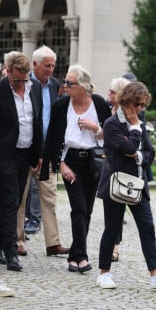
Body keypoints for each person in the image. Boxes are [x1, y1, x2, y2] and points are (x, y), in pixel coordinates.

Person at [95, 82, 156, 290]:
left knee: (147, 227)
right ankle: (104, 272)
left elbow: (149, 153)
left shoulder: (139, 121)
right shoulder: (112, 124)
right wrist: (133, 134)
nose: (139, 109)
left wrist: (137, 154)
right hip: (116, 184)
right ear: (125, 101)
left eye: (143, 105)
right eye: (136, 104)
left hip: (138, 184)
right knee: (112, 229)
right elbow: (128, 146)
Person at [40, 64, 112, 274]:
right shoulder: (61, 106)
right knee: (78, 208)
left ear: (82, 86)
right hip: (70, 161)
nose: (65, 86)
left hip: (94, 162)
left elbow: (111, 134)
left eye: (69, 83)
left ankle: (75, 256)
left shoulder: (98, 103)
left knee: (87, 210)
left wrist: (95, 128)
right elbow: (53, 138)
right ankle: (80, 256)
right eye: (65, 82)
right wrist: (60, 165)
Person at [16, 45, 69, 257]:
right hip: (26, 149)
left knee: (50, 197)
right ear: (34, 64)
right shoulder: (25, 85)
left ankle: (53, 243)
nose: (51, 69)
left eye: (53, 65)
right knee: (20, 197)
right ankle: (18, 240)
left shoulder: (55, 85)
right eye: (47, 65)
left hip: (48, 152)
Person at [0, 52, 43, 272]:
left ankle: (1, 245)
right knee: (9, 202)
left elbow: (37, 121)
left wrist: (39, 154)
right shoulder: (0, 90)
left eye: (24, 79)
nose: (20, 84)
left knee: (14, 203)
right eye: (16, 79)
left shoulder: (33, 89)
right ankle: (11, 253)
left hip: (26, 154)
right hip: (5, 155)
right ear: (8, 73)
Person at [106, 76, 131, 262]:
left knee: (118, 206)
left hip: (123, 166)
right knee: (109, 207)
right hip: (104, 163)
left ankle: (115, 245)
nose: (109, 94)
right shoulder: (105, 109)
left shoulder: (132, 115)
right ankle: (109, 245)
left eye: (112, 92)